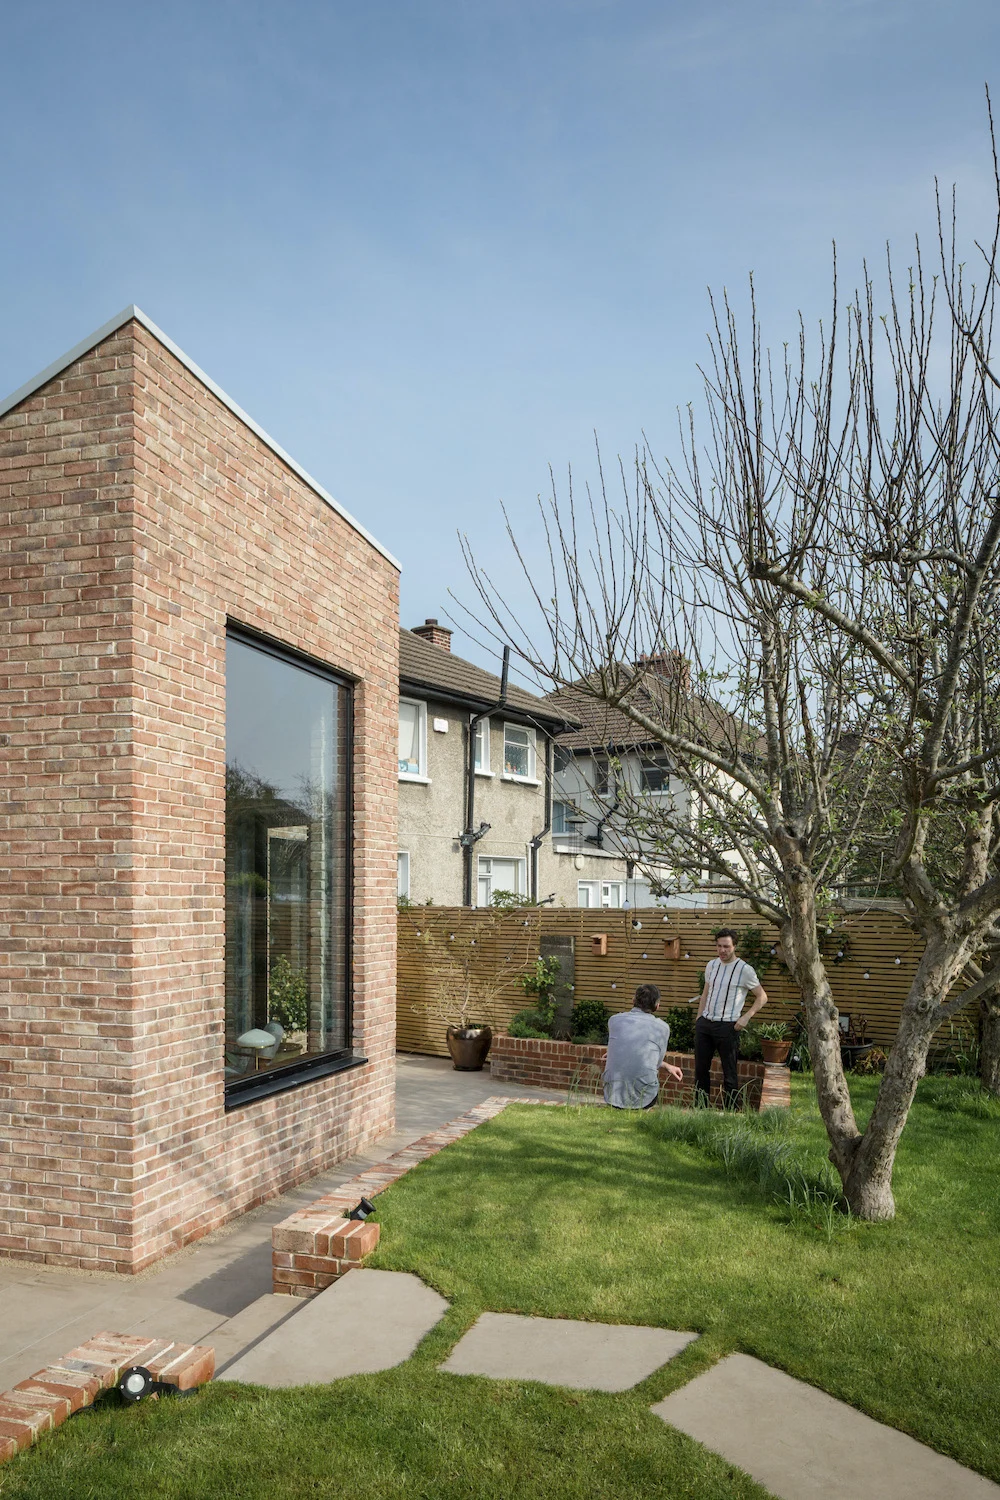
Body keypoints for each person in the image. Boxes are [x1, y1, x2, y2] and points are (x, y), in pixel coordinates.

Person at [694, 929, 768, 1108]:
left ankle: (731, 1111)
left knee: (729, 1072)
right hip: (705, 1024)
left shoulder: (744, 970)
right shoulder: (711, 965)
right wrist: (698, 1018)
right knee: (700, 1070)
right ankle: (700, 1109)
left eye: (726, 946)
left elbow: (762, 997)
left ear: (734, 946)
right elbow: (705, 993)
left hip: (728, 1026)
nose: (722, 950)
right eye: (719, 946)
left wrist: (746, 1018)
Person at [603, 984, 685, 1110]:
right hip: (644, 1097)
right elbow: (655, 1062)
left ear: (633, 1001)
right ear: (657, 1006)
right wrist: (667, 1066)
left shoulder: (614, 1020)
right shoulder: (662, 1028)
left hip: (612, 1094)